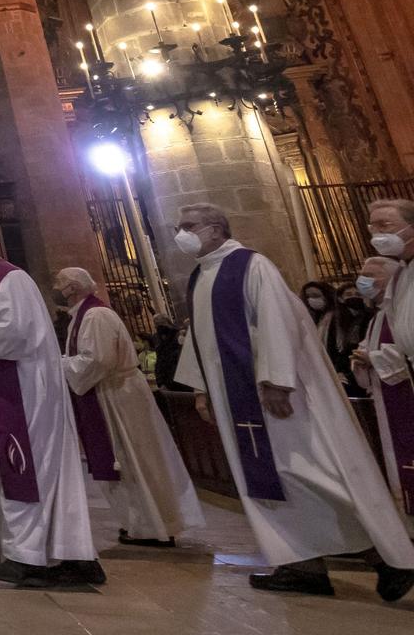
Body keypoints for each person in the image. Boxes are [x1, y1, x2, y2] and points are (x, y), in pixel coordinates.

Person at [173, 202, 414, 600]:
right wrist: (201, 390)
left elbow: (277, 322)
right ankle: (300, 565)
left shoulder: (251, 265)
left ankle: (387, 558)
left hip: (271, 396)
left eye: (188, 226)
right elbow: (202, 341)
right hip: (237, 399)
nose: (181, 234)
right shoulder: (202, 275)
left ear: (216, 228)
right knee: (274, 483)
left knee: (311, 474)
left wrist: (277, 380)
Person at [0, 232, 101, 588]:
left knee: (23, 468)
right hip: (22, 386)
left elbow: (14, 331)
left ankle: (28, 557)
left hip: (24, 392)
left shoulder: (9, 279)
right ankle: (73, 553)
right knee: (48, 473)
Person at [52, 267, 203, 547]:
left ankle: (152, 525)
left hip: (117, 395)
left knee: (134, 459)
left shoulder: (96, 315)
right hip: (107, 392)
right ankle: (140, 523)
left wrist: (57, 363)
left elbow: (98, 360)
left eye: (59, 283)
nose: (56, 288)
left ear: (73, 287)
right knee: (126, 461)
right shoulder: (82, 315)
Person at [349, 255, 414, 529]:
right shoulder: (378, 318)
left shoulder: (401, 312)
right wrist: (362, 358)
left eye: (372, 277)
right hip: (386, 398)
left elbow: (406, 354)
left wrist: (373, 358)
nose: (364, 282)